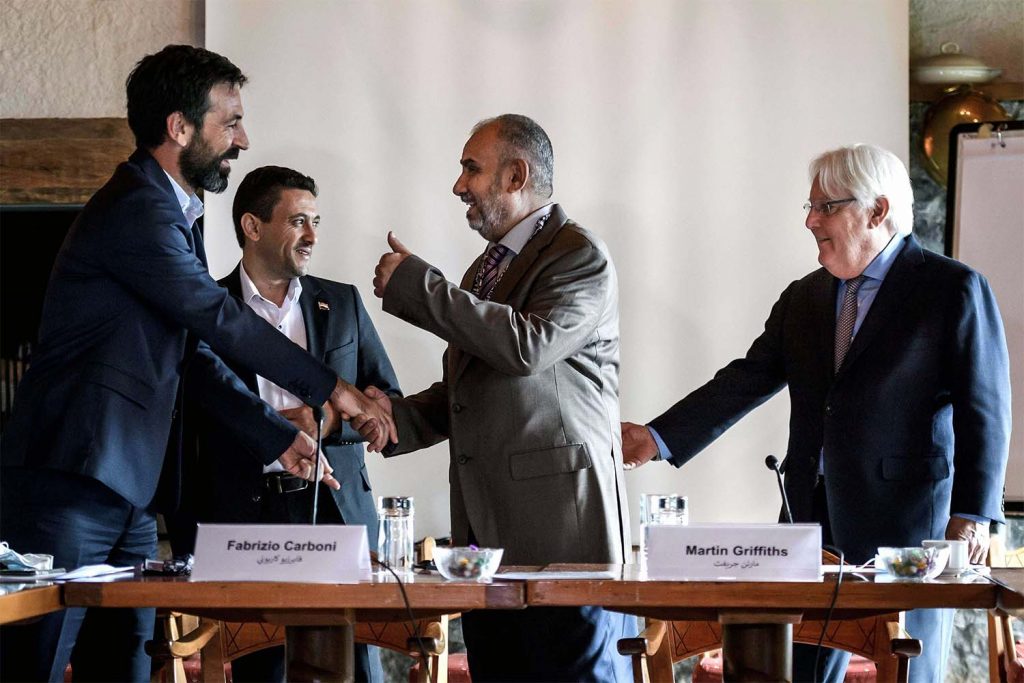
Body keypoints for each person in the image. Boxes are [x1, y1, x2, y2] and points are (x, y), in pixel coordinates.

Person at [0, 45, 393, 682]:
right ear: (179, 127)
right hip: (70, 480)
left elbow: (194, 355)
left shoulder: (172, 212)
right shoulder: (137, 206)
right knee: (35, 665)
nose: (243, 140)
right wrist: (333, 389)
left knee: (125, 664)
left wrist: (274, 436)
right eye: (230, 122)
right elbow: (217, 318)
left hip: (125, 488)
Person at [621, 143, 1011, 683]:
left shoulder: (952, 289)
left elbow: (984, 411)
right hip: (809, 522)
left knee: (909, 669)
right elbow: (746, 379)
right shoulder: (804, 297)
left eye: (826, 207)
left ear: (877, 210)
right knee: (795, 672)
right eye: (810, 207)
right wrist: (657, 437)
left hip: (907, 529)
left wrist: (972, 515)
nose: (810, 221)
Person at [367, 114, 633, 682]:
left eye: (471, 169)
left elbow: (528, 347)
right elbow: (468, 392)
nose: (458, 185)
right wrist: (392, 419)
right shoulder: (486, 271)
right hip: (484, 548)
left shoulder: (578, 254)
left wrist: (418, 285)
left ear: (516, 175)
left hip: (562, 542)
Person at [180, 165, 401, 683]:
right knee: (263, 671)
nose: (312, 236)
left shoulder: (342, 303)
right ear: (252, 226)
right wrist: (268, 430)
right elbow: (193, 411)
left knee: (357, 668)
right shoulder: (207, 309)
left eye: (315, 221)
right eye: (298, 221)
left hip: (337, 509)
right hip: (247, 516)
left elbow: (385, 404)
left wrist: (326, 420)